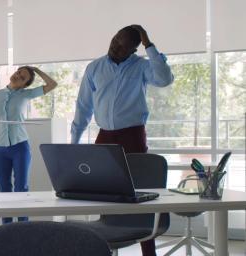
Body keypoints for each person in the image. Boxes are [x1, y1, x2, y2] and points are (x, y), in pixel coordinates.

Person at [70, 25, 174, 256]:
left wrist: (150, 44)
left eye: (124, 46)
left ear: (134, 49)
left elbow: (165, 79)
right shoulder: (95, 67)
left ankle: (148, 250)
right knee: (101, 190)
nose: (116, 47)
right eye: (116, 40)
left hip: (132, 134)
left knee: (140, 191)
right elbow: (84, 107)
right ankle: (105, 244)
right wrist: (74, 143)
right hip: (104, 135)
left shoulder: (143, 66)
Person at [0, 66, 57, 224]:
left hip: (20, 147)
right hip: (0, 149)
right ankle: (6, 229)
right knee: (4, 190)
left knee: (21, 189)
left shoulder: (26, 94)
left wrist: (36, 70)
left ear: (25, 85)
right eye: (18, 72)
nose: (17, 76)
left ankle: (23, 229)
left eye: (22, 77)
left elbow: (52, 84)